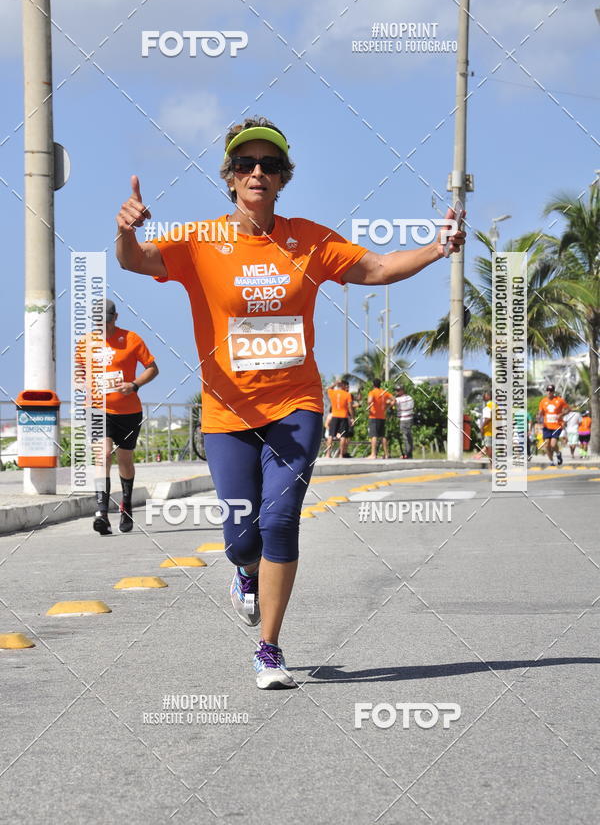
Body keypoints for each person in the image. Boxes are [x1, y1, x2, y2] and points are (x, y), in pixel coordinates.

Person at [114, 116, 465, 689]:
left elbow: (375, 267)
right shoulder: (201, 241)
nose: (258, 172)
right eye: (247, 164)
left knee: (279, 522)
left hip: (296, 405)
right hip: (227, 415)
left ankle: (269, 648)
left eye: (270, 165)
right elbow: (136, 260)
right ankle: (246, 573)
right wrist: (126, 230)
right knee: (241, 539)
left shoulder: (310, 239)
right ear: (230, 178)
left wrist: (436, 248)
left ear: (282, 179)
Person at [76, 299, 159, 535]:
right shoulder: (85, 343)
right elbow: (80, 371)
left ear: (116, 317)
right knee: (102, 456)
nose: (104, 325)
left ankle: (126, 506)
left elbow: (153, 368)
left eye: (108, 320)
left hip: (128, 411)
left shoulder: (131, 339)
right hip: (97, 408)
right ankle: (101, 512)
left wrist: (133, 385)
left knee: (125, 460)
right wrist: (81, 381)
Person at [537, 384, 569, 466]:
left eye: (551, 391)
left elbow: (568, 409)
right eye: (548, 390)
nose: (549, 392)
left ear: (553, 391)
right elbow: (540, 413)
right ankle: (551, 461)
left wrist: (561, 414)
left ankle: (558, 453)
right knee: (547, 445)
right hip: (546, 426)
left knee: (553, 444)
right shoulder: (543, 401)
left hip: (557, 426)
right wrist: (539, 416)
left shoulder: (559, 400)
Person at [325, 378, 354, 458]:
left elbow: (327, 389)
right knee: (343, 436)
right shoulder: (347, 394)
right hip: (344, 416)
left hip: (334, 416)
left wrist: (335, 383)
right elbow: (350, 407)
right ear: (344, 386)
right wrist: (352, 417)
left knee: (330, 435)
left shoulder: (333, 393)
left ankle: (328, 454)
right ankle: (341, 454)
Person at [366, 378, 393, 459]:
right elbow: (393, 399)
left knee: (373, 435)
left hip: (374, 416)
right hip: (382, 416)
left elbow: (369, 400)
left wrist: (369, 405)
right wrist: (388, 407)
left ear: (373, 385)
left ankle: (373, 454)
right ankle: (387, 454)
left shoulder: (372, 392)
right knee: (382, 435)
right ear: (380, 384)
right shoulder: (384, 392)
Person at [395, 385, 415, 459]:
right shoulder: (410, 398)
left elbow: (391, 402)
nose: (396, 392)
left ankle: (407, 454)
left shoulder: (398, 400)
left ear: (402, 390)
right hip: (410, 418)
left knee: (405, 437)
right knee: (409, 436)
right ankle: (409, 453)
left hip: (403, 419)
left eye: (398, 390)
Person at [479, 391, 493, 463]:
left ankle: (491, 464)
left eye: (485, 395)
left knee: (489, 448)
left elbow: (488, 418)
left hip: (489, 430)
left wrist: (482, 427)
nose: (483, 396)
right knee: (489, 447)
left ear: (489, 396)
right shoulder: (495, 405)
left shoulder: (488, 406)